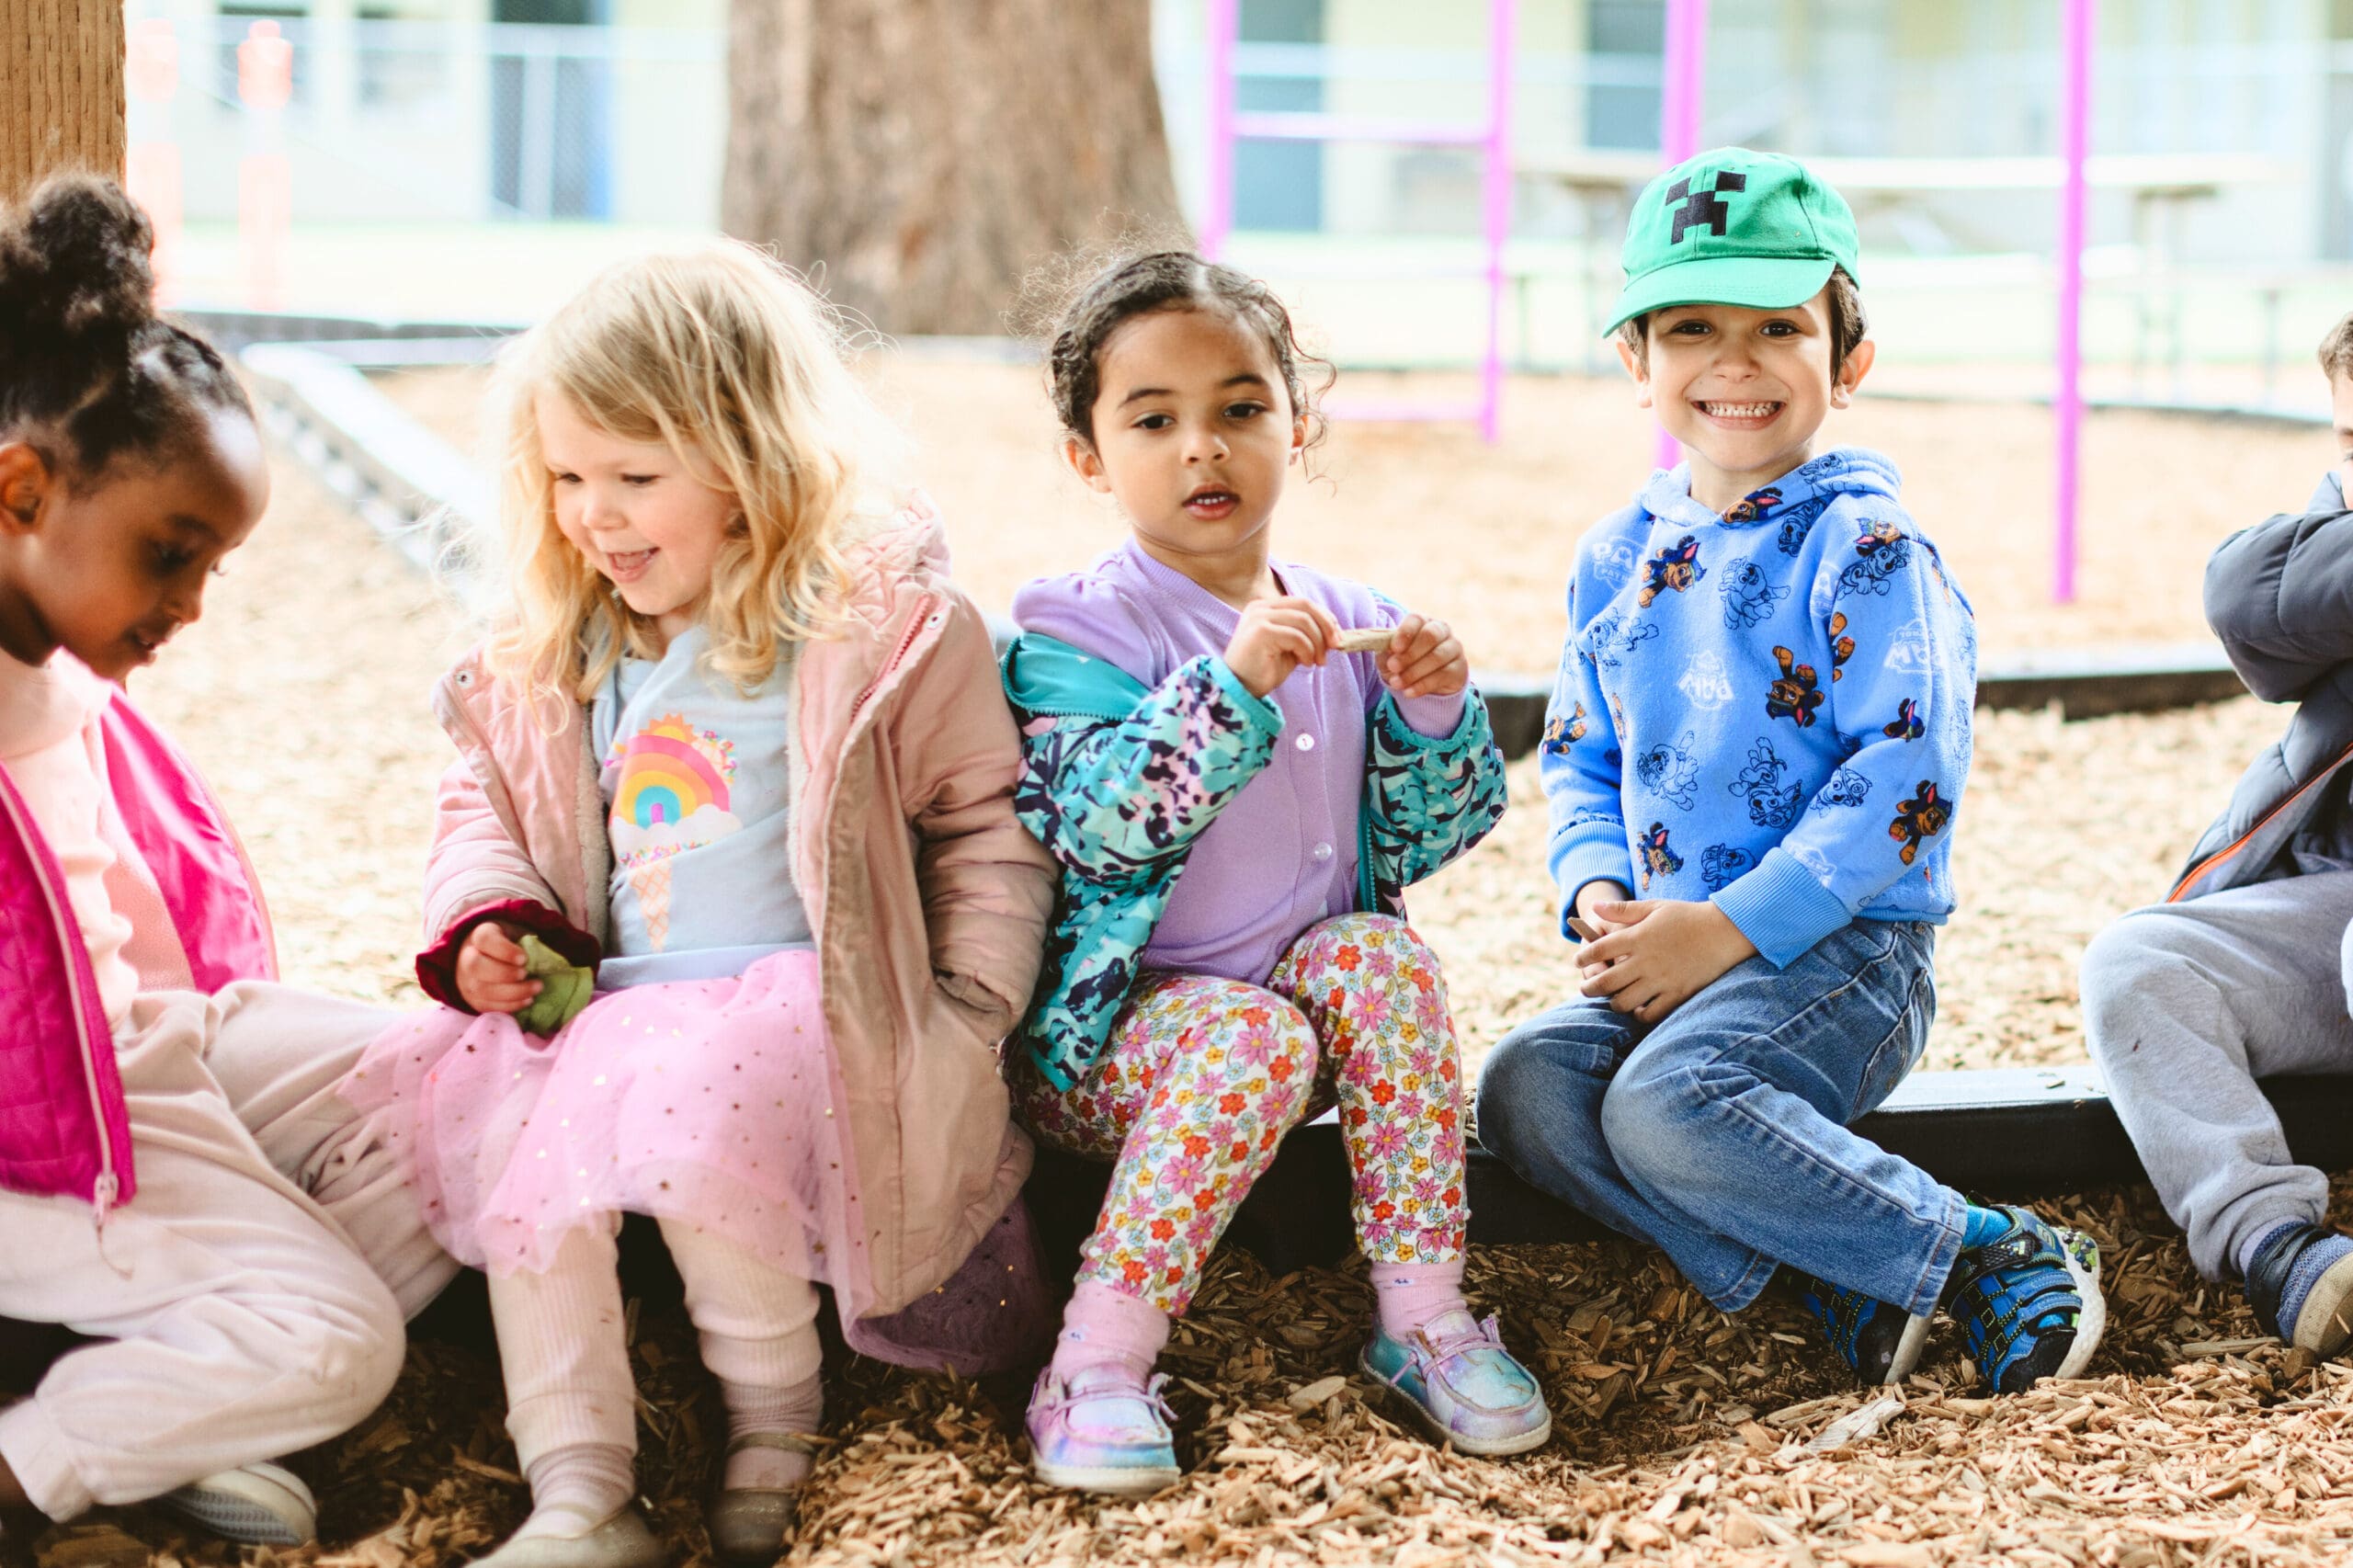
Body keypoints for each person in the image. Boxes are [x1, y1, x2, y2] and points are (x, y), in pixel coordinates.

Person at [342, 244, 1054, 1567]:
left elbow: (983, 821)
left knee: (699, 1137)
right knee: (519, 1183)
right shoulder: (571, 645)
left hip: (791, 1007)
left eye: (631, 477)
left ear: (747, 459)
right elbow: (482, 804)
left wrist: (973, 1001)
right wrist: (496, 921)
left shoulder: (867, 630)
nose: (591, 517)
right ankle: (578, 1484)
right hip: (607, 1006)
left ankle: (774, 1424)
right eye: (563, 478)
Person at [1477, 148, 2105, 1395]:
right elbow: (1580, 747)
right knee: (1527, 1086)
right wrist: (1598, 880)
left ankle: (1973, 1250)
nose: (1735, 361)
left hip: (1843, 954)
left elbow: (1909, 775)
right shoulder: (1618, 556)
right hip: (1675, 950)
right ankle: (1822, 1267)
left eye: (1780, 326)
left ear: (1848, 358)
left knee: (1667, 1105)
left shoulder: (1867, 545)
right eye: (1693, 327)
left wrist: (1728, 928)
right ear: (1633, 359)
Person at [1002, 250, 1552, 1496]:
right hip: (1115, 1047)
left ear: (1297, 424)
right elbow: (1098, 826)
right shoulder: (1083, 623)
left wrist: (1432, 710)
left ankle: (1423, 1318)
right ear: (1089, 453)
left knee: (1382, 954)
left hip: (1296, 1020)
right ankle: (1095, 1360)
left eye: (1240, 408)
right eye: (1154, 419)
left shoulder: (1347, 613)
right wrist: (1230, 683)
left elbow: (1422, 840)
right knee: (1246, 1035)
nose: (1204, 448)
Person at [0, 175, 452, 1550]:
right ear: (21, 490)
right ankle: (39, 1461)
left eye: (216, 565)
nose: (191, 602)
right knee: (345, 1342)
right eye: (170, 552)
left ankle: (170, 1386)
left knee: (458, 1085)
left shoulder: (58, 659)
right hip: (41, 1137)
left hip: (138, 1046)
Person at [2079, 312, 2353, 1359]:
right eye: (2348, 445)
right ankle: (2277, 1247)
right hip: (2331, 902)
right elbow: (2245, 601)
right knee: (2140, 959)